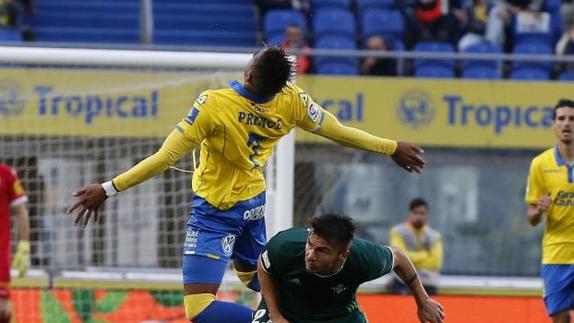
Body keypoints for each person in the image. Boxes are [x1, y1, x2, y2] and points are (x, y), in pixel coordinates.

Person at [67, 46, 426, 323]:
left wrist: (109, 187)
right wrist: (391, 147)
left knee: (200, 308)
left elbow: (164, 158)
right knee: (258, 279)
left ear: (250, 72)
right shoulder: (292, 100)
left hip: (216, 212)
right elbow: (338, 131)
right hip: (253, 203)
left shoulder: (213, 105)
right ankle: (319, 305)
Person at [253, 214, 445, 323]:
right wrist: (276, 316)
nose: (311, 255)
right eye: (310, 245)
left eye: (322, 251)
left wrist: (423, 301)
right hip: (286, 311)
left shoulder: (363, 258)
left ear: (343, 255)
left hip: (338, 315)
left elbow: (399, 257)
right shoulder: (285, 245)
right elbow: (263, 265)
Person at [525, 98, 574, 323]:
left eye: (572, 119)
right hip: (556, 254)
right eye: (561, 118)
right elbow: (531, 218)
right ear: (553, 125)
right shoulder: (540, 164)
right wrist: (539, 211)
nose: (567, 124)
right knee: (560, 318)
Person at [389, 198, 443, 295]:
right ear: (410, 213)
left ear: (427, 215)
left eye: (422, 213)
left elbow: (436, 262)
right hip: (403, 282)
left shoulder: (435, 236)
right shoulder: (397, 232)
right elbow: (398, 257)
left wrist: (408, 259)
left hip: (428, 283)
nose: (419, 216)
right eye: (415, 213)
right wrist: (424, 255)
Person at [0, 163, 30, 323]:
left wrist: (24, 246)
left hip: (0, 256)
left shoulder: (6, 174)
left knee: (2, 308)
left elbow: (20, 210)